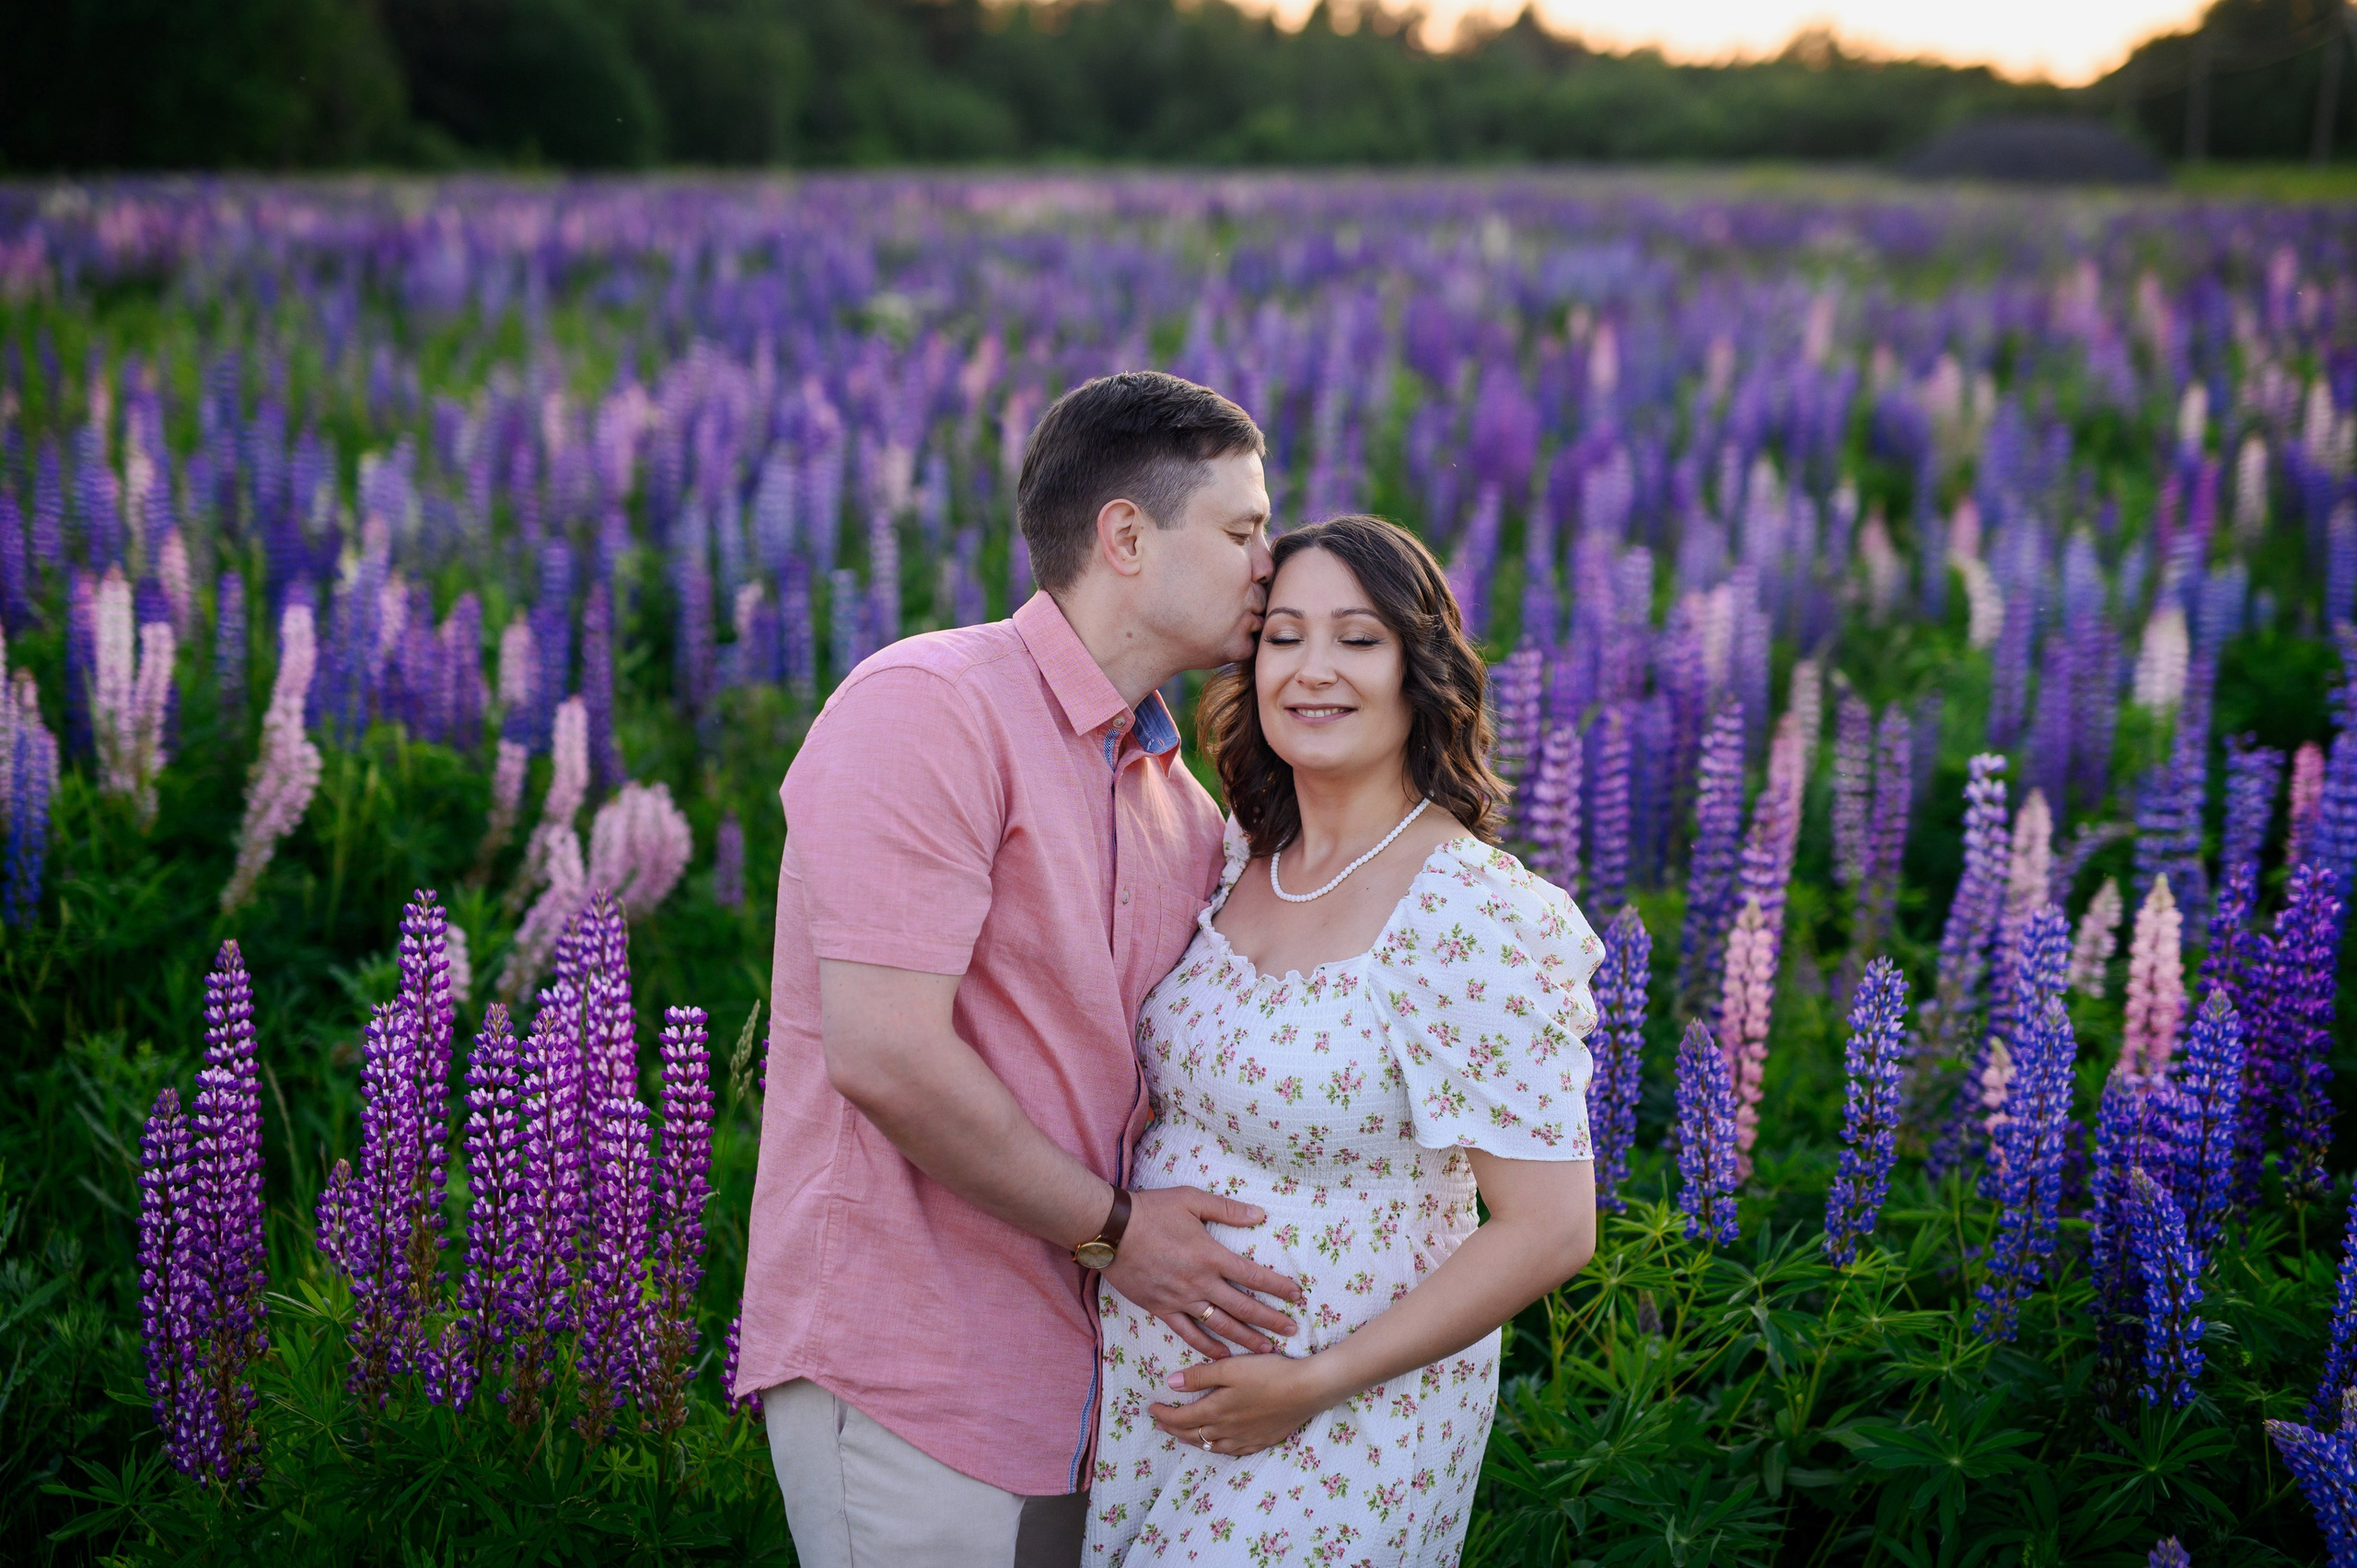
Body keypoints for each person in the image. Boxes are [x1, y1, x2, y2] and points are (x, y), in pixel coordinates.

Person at [734, 371, 1313, 1568]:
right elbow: (887, 1053)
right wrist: (1120, 1230)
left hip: (1085, 1389)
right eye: (1245, 530)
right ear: (1127, 535)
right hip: (909, 1359)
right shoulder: (928, 706)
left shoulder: (1180, 802)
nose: (1273, 562)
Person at [1084, 515, 1601, 1566]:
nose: (1313, 670)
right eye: (1283, 635)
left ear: (1422, 669)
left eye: (1358, 638)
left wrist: (1310, 1383)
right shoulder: (1229, 859)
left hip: (1338, 1429)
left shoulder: (1471, 913)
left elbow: (1551, 1226)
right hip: (1148, 1400)